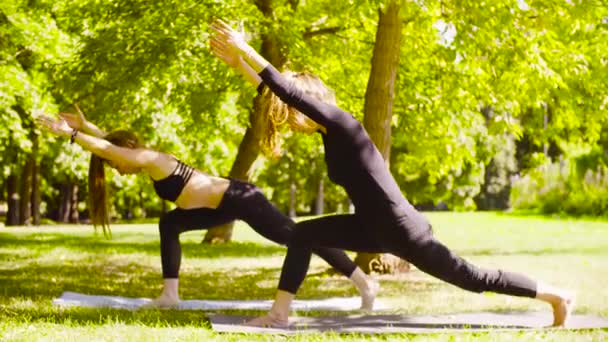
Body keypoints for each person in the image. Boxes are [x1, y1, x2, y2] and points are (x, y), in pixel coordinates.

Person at [210, 19, 575, 328]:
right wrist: (237, 65)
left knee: (472, 278)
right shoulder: (327, 133)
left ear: (310, 103)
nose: (289, 120)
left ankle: (556, 295)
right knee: (303, 234)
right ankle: (279, 314)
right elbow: (277, 92)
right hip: (371, 226)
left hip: (403, 230)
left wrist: (245, 48)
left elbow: (285, 90)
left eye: (293, 111)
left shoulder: (342, 124)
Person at [36, 108, 377, 309]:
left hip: (240, 199)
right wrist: (86, 128)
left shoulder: (152, 159)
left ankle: (363, 282)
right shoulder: (143, 156)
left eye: (116, 164)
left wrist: (72, 135)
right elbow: (114, 148)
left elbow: (114, 152)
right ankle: (170, 294)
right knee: (170, 224)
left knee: (301, 237)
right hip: (219, 206)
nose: (116, 169)